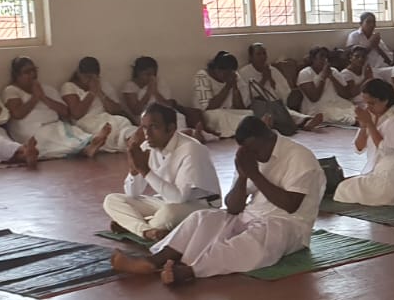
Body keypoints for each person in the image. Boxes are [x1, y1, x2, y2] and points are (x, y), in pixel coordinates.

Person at [111, 117, 324, 285]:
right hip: (250, 216)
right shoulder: (249, 155)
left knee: (251, 241)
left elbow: (291, 204)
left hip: (288, 225)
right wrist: (242, 176)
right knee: (202, 219)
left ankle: (189, 271)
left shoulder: (299, 157)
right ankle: (151, 262)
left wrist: (255, 174)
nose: (255, 157)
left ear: (269, 138)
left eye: (257, 150)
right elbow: (233, 208)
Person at [103, 104, 222, 241]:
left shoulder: (191, 149)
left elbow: (179, 198)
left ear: (171, 128)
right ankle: (147, 230)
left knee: (169, 213)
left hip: (200, 205)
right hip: (166, 200)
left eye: (154, 127)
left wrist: (145, 170)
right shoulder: (147, 146)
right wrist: (134, 170)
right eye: (144, 127)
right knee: (112, 200)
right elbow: (132, 194)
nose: (147, 134)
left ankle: (134, 226)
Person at [334, 79, 394, 206]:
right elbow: (358, 148)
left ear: (385, 100)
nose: (368, 107)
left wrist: (369, 124)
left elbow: (386, 149)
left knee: (345, 188)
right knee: (344, 187)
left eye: (372, 103)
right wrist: (363, 126)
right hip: (379, 171)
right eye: (366, 103)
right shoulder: (371, 116)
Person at [3, 57, 102, 159]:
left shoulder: (46, 89)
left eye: (34, 70)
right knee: (50, 138)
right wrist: (35, 98)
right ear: (16, 75)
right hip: (31, 128)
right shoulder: (11, 90)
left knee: (72, 132)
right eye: (27, 72)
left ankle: (88, 145)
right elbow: (17, 114)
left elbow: (65, 112)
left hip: (54, 125)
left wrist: (43, 97)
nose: (32, 74)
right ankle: (86, 148)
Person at [61, 57, 137, 154]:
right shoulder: (69, 86)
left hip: (107, 117)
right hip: (86, 121)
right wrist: (92, 92)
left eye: (92, 77)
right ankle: (100, 141)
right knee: (111, 131)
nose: (89, 80)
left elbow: (116, 110)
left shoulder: (103, 84)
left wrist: (100, 92)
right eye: (86, 77)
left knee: (123, 122)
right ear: (78, 74)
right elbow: (77, 114)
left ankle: (135, 144)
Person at [242, 43, 323, 133]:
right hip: (258, 107)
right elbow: (247, 97)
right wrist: (264, 79)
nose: (262, 57)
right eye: (258, 54)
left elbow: (285, 91)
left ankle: (307, 121)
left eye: (264, 53)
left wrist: (271, 80)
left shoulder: (272, 70)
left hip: (275, 105)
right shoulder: (244, 72)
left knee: (288, 113)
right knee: (276, 116)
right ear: (251, 57)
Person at [123, 56, 207, 139]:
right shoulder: (129, 86)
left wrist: (155, 92)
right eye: (147, 74)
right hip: (144, 116)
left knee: (178, 116)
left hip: (162, 111)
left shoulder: (159, 82)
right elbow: (136, 111)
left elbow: (167, 105)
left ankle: (185, 136)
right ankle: (183, 135)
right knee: (158, 121)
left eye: (153, 74)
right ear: (138, 73)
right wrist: (148, 92)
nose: (150, 77)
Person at [192, 51, 255, 138]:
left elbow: (240, 106)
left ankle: (242, 132)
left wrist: (235, 87)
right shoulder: (202, 76)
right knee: (222, 115)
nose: (228, 76)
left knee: (249, 114)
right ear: (216, 69)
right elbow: (209, 107)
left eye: (230, 73)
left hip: (229, 112)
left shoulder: (234, 75)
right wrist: (227, 86)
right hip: (209, 114)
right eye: (225, 73)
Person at [297, 47, 360, 126]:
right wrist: (323, 77)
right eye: (321, 56)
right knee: (346, 118)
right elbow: (314, 98)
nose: (325, 60)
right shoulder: (305, 73)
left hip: (337, 102)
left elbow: (345, 94)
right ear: (313, 59)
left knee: (358, 113)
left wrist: (331, 77)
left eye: (327, 57)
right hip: (317, 106)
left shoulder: (333, 71)